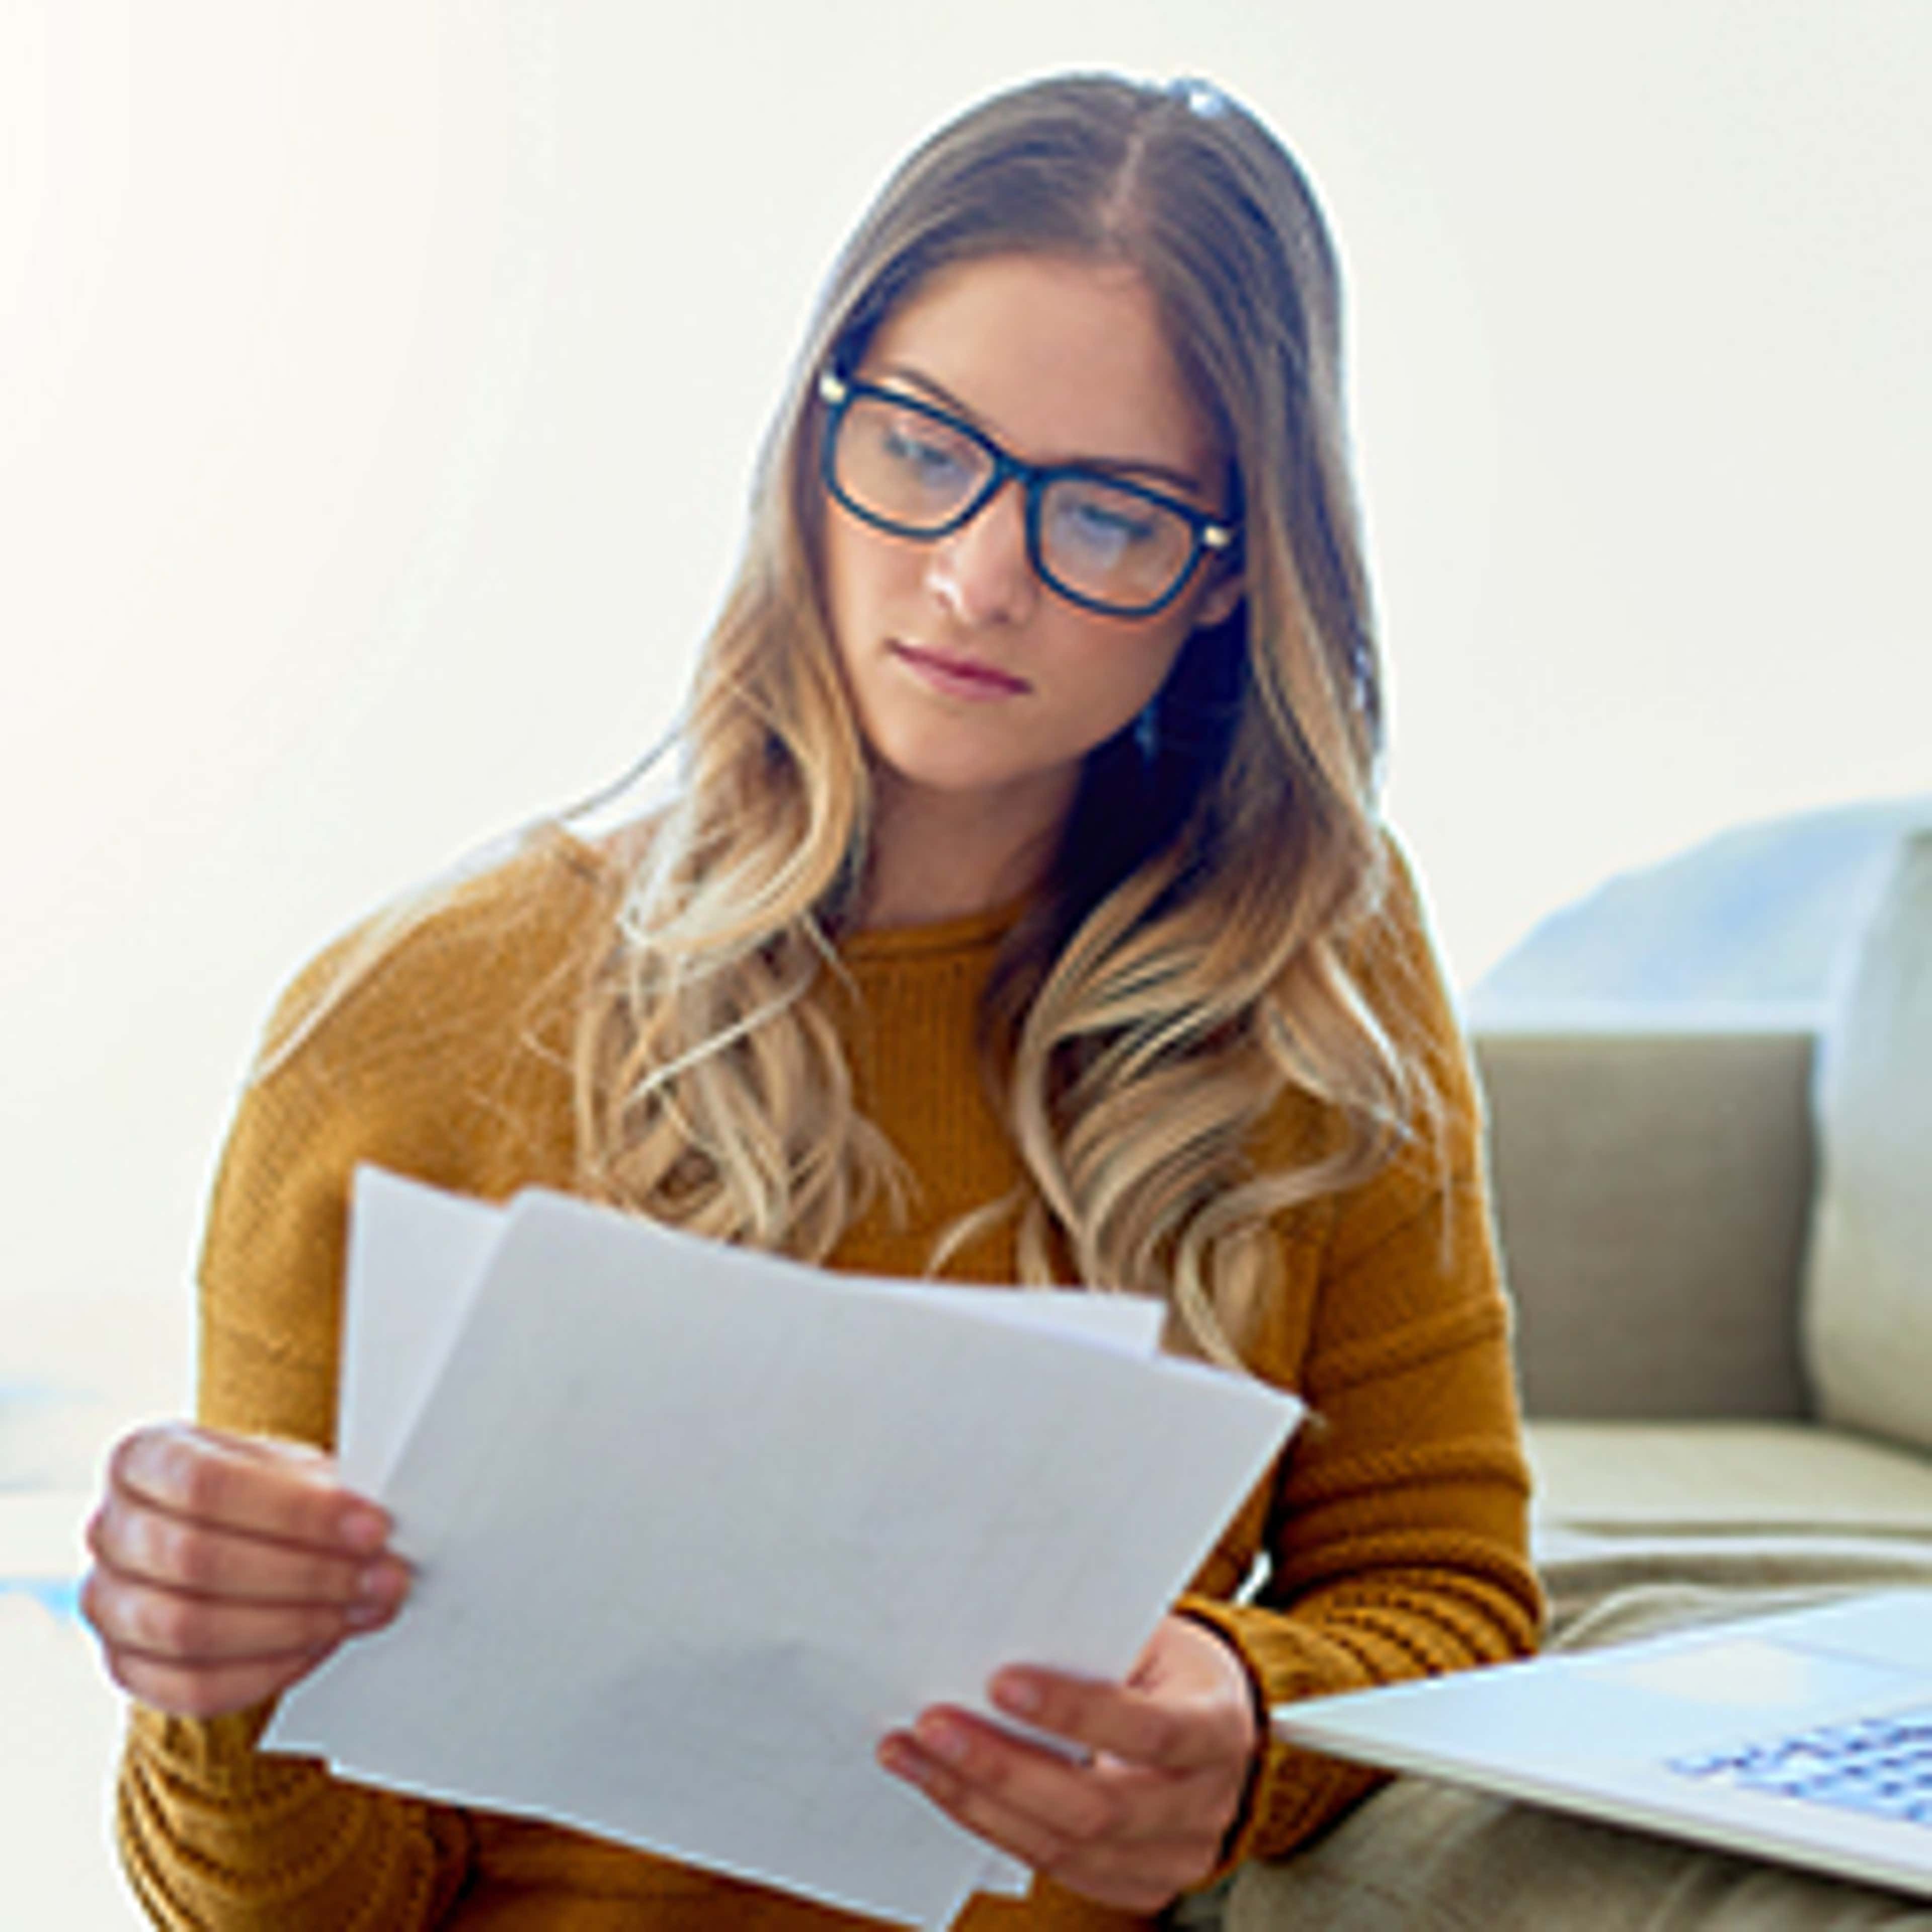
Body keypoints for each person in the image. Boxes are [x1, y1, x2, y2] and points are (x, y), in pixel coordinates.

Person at [80, 70, 1542, 1930]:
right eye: (924, 448)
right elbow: (290, 1909)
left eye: (1104, 514)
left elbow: (1452, 1593)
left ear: (1225, 577)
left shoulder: (1313, 967)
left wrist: (1260, 1721)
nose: (975, 577)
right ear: (810, 436)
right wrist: (213, 1693)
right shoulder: (404, 1027)